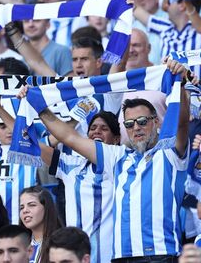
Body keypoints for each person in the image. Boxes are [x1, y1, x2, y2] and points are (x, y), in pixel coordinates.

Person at [18, 59, 191, 262]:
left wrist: (179, 83)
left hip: (160, 255)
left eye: (142, 122)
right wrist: (38, 106)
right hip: (120, 257)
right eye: (129, 123)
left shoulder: (169, 153)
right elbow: (69, 137)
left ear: (157, 122)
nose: (136, 128)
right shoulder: (117, 156)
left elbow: (181, 123)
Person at [46, 111, 120, 263]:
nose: (97, 131)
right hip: (73, 257)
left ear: (117, 139)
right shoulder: (70, 166)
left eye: (104, 128)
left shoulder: (122, 165)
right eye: (92, 128)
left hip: (109, 257)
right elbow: (30, 145)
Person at [19, 185, 62, 263]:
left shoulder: (61, 244)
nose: (25, 210)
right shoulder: (20, 245)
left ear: (46, 208)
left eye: (32, 205)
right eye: (21, 207)